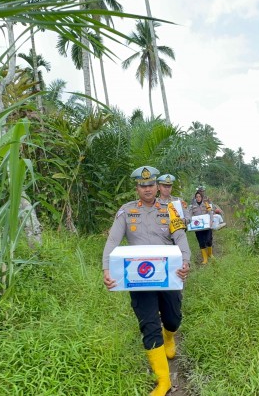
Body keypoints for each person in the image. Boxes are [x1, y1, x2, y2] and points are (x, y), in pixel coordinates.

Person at [102, 166, 191, 396]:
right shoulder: (127, 211)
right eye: (143, 186)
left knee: (173, 318)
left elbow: (180, 237)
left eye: (151, 185)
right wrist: (106, 270)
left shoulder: (170, 209)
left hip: (168, 275)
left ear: (156, 186)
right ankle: (163, 382)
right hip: (138, 277)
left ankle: (169, 336)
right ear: (137, 188)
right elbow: (112, 242)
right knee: (149, 325)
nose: (148, 189)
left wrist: (186, 262)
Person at [189, 186, 222, 264]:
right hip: (198, 227)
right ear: (195, 198)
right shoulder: (192, 205)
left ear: (202, 197)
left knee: (208, 240)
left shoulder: (206, 203)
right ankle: (205, 258)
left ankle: (210, 254)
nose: (198, 198)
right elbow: (189, 215)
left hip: (207, 226)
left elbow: (210, 213)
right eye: (196, 197)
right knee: (201, 242)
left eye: (199, 196)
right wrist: (189, 223)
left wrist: (211, 221)